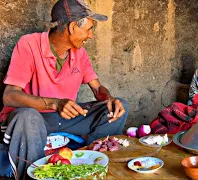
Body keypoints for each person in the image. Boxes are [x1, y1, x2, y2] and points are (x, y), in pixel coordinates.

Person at [0, 0, 129, 179]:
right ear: (72, 27)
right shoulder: (29, 44)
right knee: (27, 117)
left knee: (120, 106)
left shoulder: (80, 53)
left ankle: (92, 162)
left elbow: (97, 88)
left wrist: (109, 99)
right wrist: (54, 103)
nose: (90, 36)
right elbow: (9, 96)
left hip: (66, 119)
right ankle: (36, 175)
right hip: (35, 120)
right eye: (89, 29)